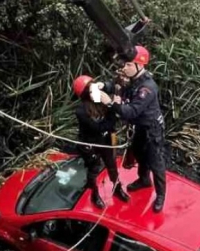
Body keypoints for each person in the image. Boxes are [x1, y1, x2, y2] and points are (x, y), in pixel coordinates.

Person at [110, 46, 168, 213]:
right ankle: (144, 179)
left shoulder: (147, 88)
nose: (124, 68)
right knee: (139, 153)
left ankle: (161, 195)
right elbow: (117, 85)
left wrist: (113, 102)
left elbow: (131, 111)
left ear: (139, 65)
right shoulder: (134, 80)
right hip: (139, 127)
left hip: (151, 129)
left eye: (128, 65)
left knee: (156, 162)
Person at [72, 75, 129, 209]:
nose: (95, 92)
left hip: (106, 141)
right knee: (93, 169)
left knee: (112, 166)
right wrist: (113, 110)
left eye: (94, 88)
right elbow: (99, 127)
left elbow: (114, 85)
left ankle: (117, 188)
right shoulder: (81, 111)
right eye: (91, 91)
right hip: (91, 144)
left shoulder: (100, 98)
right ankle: (94, 194)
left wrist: (113, 102)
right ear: (85, 95)